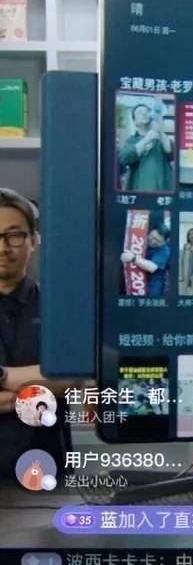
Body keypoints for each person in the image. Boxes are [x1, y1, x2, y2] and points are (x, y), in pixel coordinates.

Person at [0, 188, 73, 480]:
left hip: (46, 465)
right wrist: (38, 389)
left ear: (34, 240)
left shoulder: (59, 305)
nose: (4, 247)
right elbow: (53, 381)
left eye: (15, 235)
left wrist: (2, 377)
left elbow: (70, 378)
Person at [119, 103, 174, 193]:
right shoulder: (131, 140)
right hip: (139, 191)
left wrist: (160, 131)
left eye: (147, 111)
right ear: (134, 122)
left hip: (163, 191)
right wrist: (147, 139)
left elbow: (172, 152)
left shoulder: (160, 138)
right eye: (140, 112)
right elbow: (124, 157)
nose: (144, 113)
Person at [121, 222, 170, 297]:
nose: (152, 241)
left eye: (157, 240)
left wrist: (133, 258)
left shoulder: (165, 251)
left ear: (164, 241)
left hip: (152, 287)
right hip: (136, 281)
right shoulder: (142, 240)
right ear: (150, 232)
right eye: (152, 236)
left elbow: (152, 267)